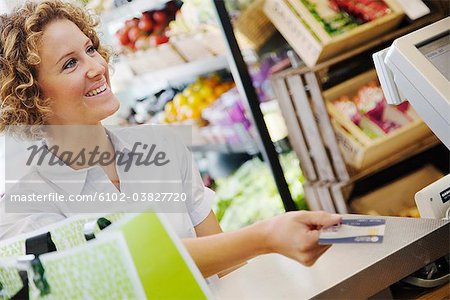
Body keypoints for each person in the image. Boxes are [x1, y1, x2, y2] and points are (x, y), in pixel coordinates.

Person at [0, 0, 341, 278]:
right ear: (29, 95)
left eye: (90, 48)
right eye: (70, 63)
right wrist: (265, 237)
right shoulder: (25, 202)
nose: (96, 66)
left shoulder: (161, 146)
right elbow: (127, 266)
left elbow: (228, 266)